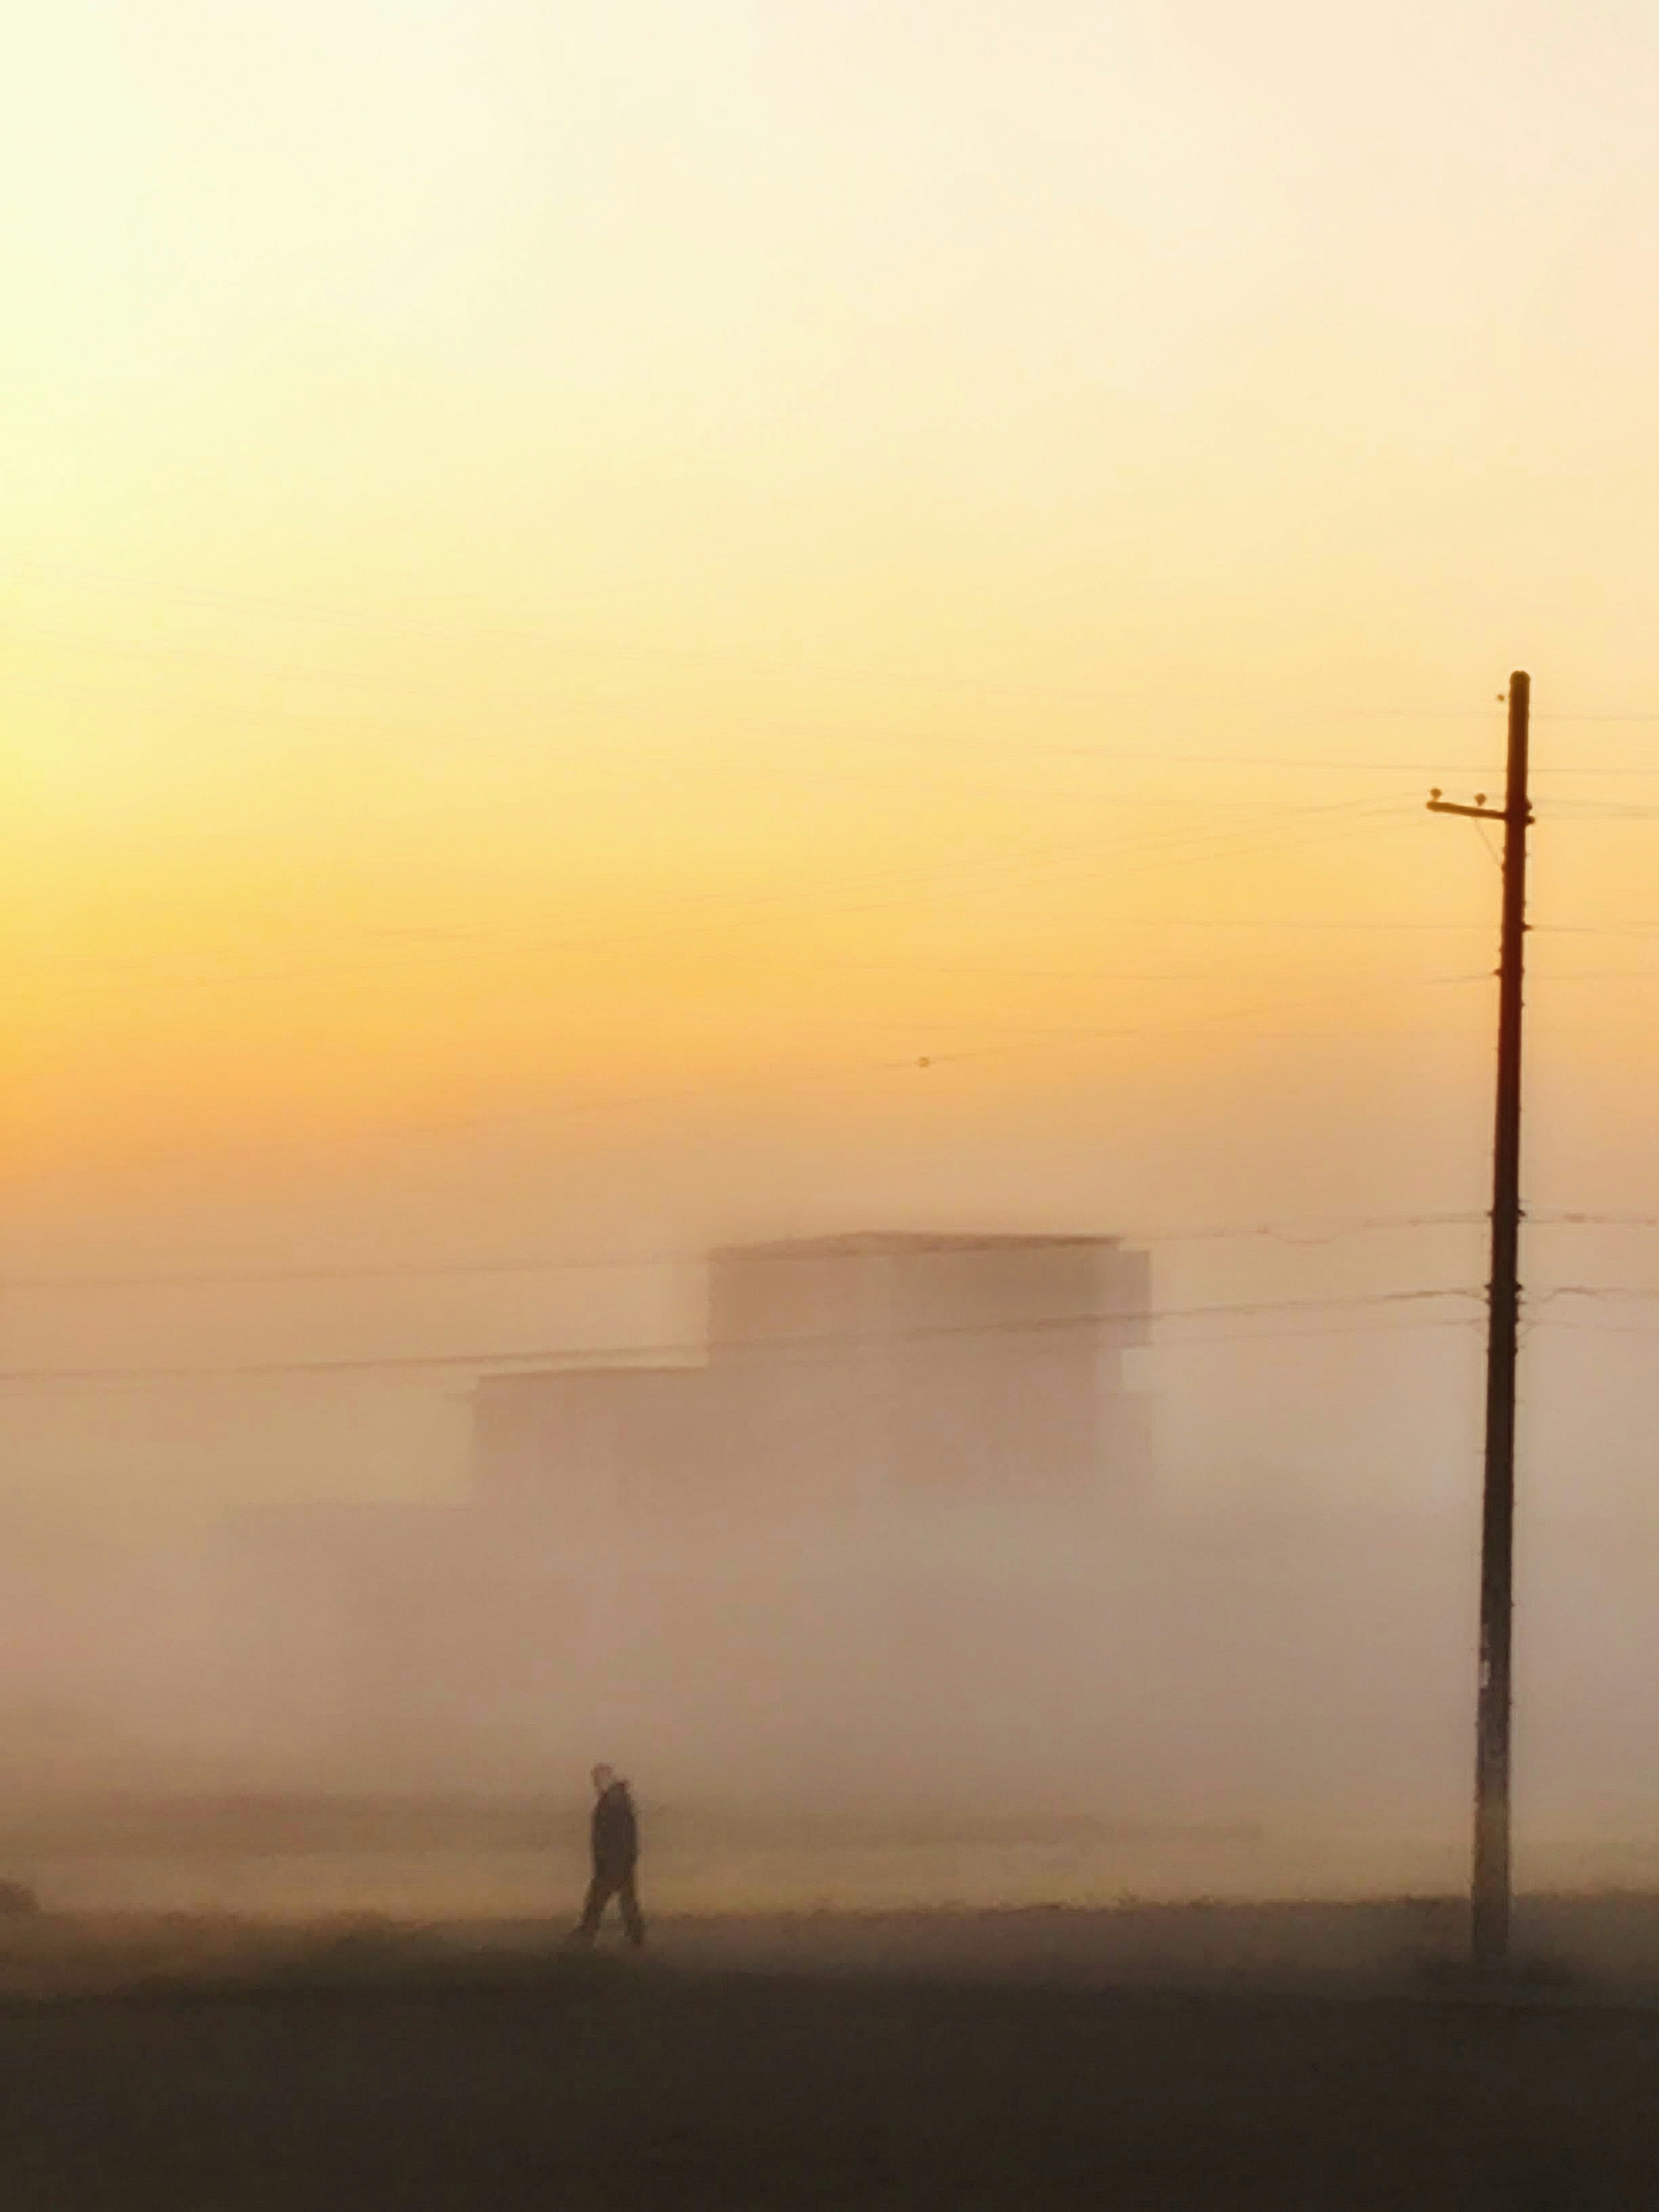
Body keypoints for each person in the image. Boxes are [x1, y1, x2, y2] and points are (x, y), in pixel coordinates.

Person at [571, 1763, 644, 1947]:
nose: (595, 1784)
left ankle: (587, 1933)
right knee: (624, 1899)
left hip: (614, 1859)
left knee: (600, 1898)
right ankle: (636, 1936)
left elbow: (618, 1834)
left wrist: (611, 1858)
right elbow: (626, 1834)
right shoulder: (617, 1800)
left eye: (597, 1780)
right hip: (619, 1858)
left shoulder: (613, 1802)